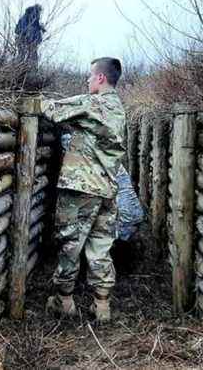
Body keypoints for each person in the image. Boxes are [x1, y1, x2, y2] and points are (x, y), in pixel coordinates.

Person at [41, 57, 127, 322]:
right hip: (107, 189)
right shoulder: (118, 109)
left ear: (101, 78)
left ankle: (64, 301)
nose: (87, 80)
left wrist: (40, 98)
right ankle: (102, 306)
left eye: (90, 76)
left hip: (81, 187)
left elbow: (52, 111)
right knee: (101, 247)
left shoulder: (92, 103)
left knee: (70, 243)